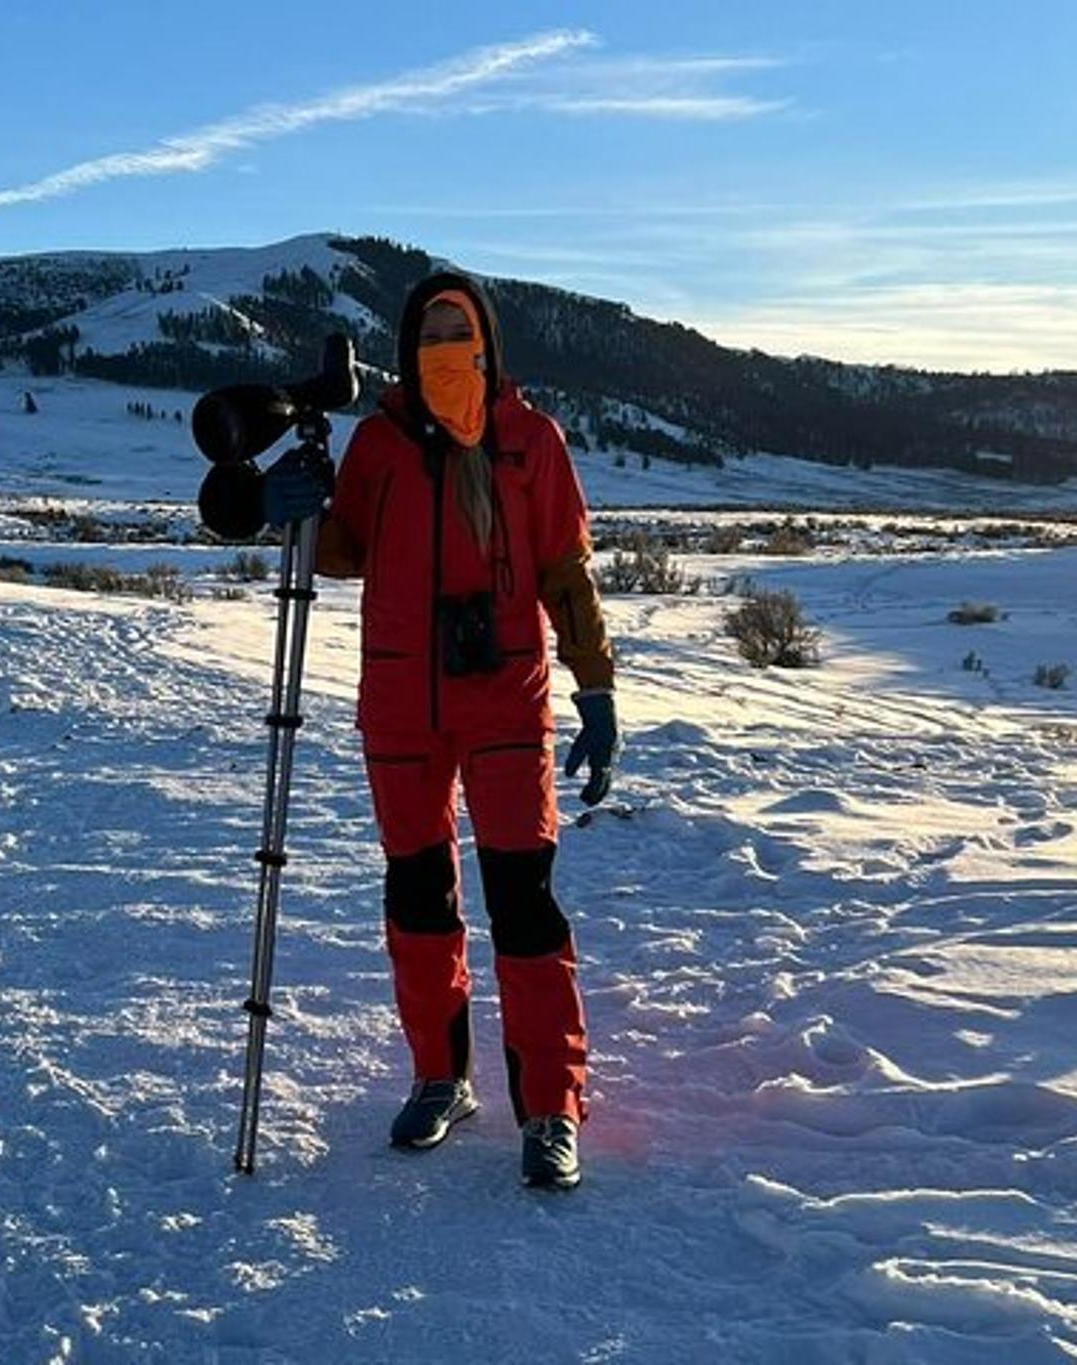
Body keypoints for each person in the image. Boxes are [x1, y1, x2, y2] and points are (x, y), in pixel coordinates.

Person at [260, 271, 618, 1190]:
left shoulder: (530, 441)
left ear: (488, 342)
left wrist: (596, 689)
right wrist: (296, 506)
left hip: (505, 703)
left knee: (524, 905)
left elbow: (565, 574)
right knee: (419, 901)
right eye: (427, 332)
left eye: (458, 330)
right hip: (401, 706)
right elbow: (343, 550)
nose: (442, 348)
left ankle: (550, 1105)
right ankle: (440, 1075)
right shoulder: (380, 443)